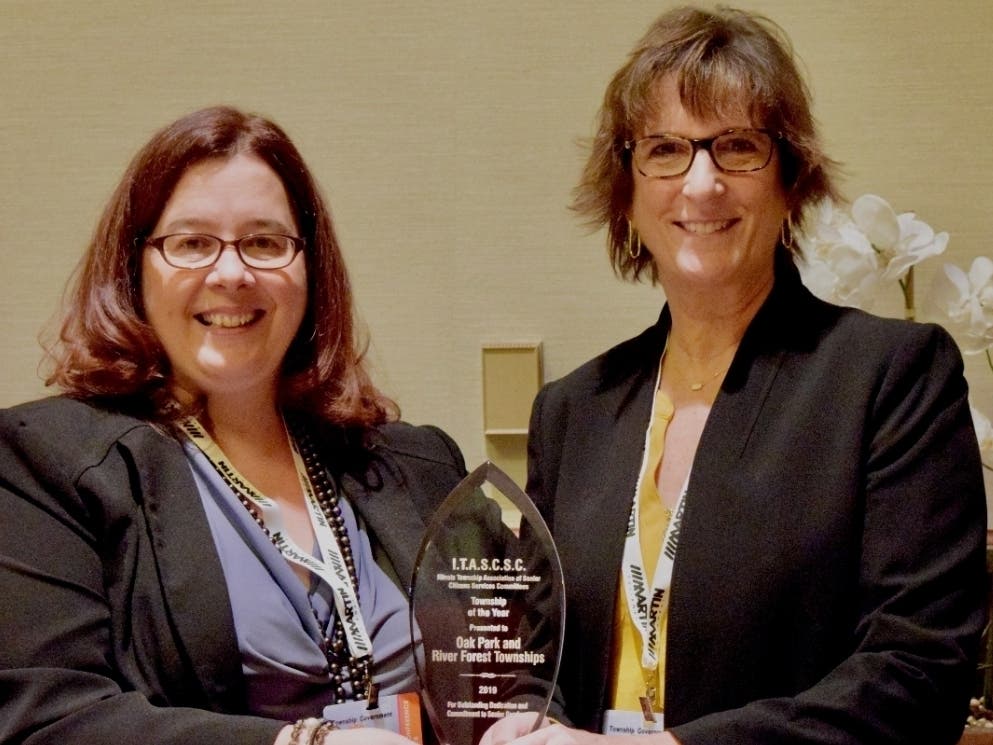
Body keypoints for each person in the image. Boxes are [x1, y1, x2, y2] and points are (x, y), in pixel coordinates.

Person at [492, 6, 988, 745]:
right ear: (627, 193)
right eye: (665, 149)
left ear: (790, 180)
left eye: (737, 147)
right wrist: (526, 720)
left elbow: (918, 672)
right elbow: (539, 652)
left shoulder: (888, 379)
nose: (702, 183)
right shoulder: (575, 410)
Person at [0, 106, 506, 745]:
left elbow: (515, 665)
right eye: (191, 243)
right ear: (134, 269)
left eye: (265, 243)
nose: (232, 273)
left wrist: (527, 721)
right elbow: (47, 719)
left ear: (309, 269)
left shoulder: (417, 463)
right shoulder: (43, 462)